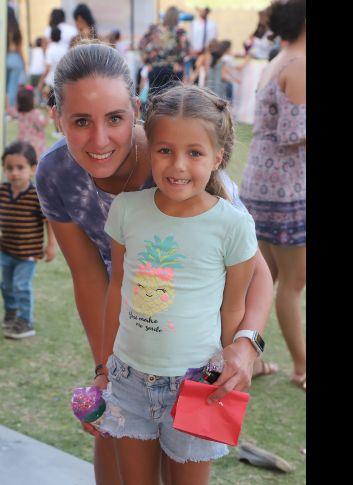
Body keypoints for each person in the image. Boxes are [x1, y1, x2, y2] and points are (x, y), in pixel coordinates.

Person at [34, 41, 273, 485]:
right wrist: (104, 368)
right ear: (56, 118)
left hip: (193, 345)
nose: (100, 139)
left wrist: (244, 344)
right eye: (81, 121)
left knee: (181, 466)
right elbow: (91, 277)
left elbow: (255, 271)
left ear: (136, 109)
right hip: (130, 339)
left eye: (116, 119)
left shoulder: (182, 162)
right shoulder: (55, 173)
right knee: (114, 456)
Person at [94, 84, 258, 484]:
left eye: (195, 153)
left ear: (217, 157)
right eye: (165, 150)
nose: (178, 165)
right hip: (128, 381)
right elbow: (117, 290)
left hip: (199, 384)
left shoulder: (233, 226)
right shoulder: (127, 210)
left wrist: (229, 368)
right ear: (150, 148)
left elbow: (233, 307)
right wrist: (103, 370)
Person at [239, 0, 306, 390]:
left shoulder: (279, 59)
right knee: (292, 284)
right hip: (285, 189)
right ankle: (302, 368)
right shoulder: (298, 65)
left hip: (261, 185)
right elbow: (294, 133)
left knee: (264, 281)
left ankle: (254, 360)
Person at [0, 141, 56, 339]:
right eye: (9, 168)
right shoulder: (2, 191)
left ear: (32, 169)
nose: (15, 173)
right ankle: (11, 312)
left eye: (20, 168)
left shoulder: (37, 195)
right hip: (6, 250)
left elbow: (49, 221)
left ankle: (25, 322)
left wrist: (51, 245)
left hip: (28, 253)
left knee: (21, 285)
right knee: (5, 285)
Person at [138, 6, 189, 100]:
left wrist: (147, 63)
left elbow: (141, 45)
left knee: (154, 101)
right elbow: (184, 49)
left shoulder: (155, 29)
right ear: (176, 17)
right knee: (173, 102)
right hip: (173, 70)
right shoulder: (179, 31)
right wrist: (180, 63)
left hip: (155, 69)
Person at [11, 85, 48, 157]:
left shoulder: (20, 113)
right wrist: (49, 114)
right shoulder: (35, 113)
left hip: (23, 143)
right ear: (32, 101)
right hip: (36, 145)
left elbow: (11, 111)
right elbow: (43, 125)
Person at [37, 27, 68, 107]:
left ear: (51, 37)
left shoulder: (50, 49)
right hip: (62, 80)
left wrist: (41, 81)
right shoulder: (65, 49)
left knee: (50, 104)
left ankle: (51, 117)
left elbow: (48, 67)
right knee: (60, 104)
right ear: (61, 37)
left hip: (50, 81)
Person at [5, 6, 27, 114]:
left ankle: (3, 108)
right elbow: (20, 49)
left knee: (4, 86)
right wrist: (24, 63)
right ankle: (11, 110)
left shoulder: (3, 28)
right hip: (15, 59)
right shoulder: (16, 30)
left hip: (4, 59)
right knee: (12, 86)